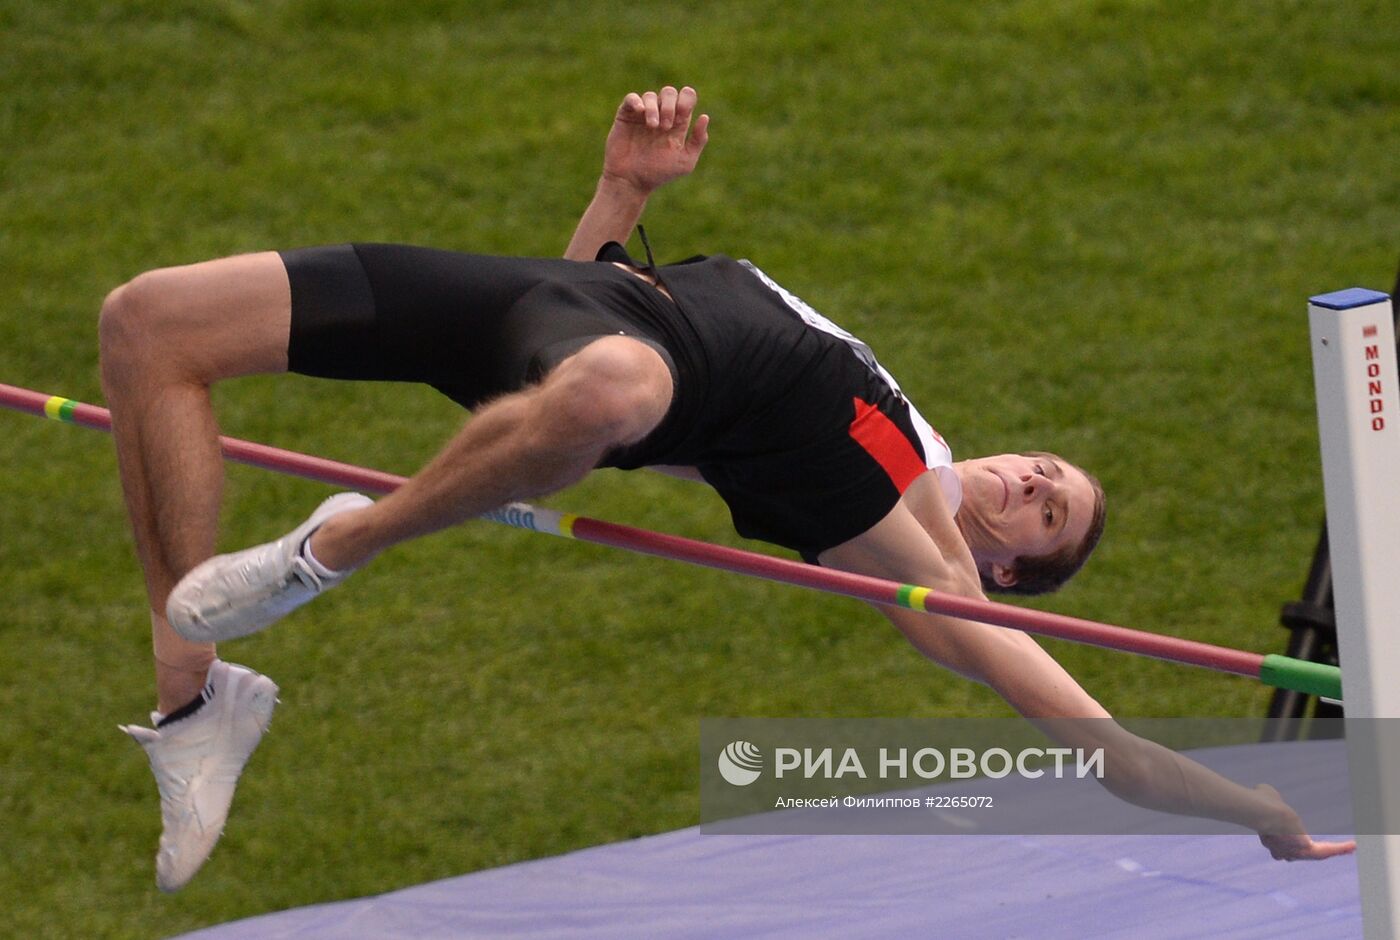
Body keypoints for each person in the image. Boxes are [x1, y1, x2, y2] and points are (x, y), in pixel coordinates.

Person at [101, 86, 1352, 893]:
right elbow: (565, 300)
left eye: (1045, 511)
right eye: (1045, 467)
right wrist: (625, 194)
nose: (1030, 477)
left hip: (641, 377)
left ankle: (341, 546)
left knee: (597, 402)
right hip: (572, 307)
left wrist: (1256, 806)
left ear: (1016, 568)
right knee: (149, 321)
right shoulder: (912, 423)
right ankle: (193, 700)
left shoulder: (937, 575)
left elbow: (1105, 747)